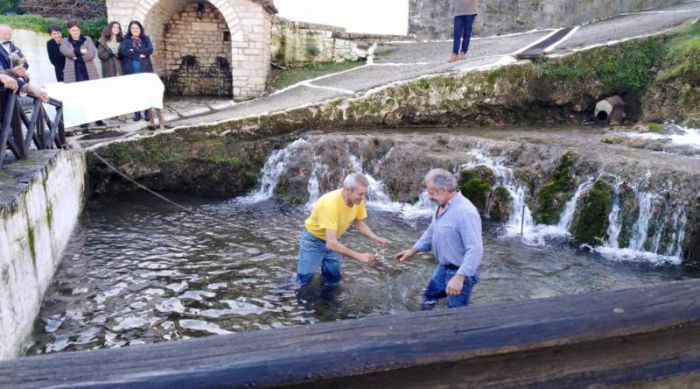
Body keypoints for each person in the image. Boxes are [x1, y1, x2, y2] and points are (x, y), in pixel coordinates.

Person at [394, 168, 483, 309]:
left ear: (445, 190)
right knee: (428, 299)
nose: (429, 196)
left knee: (455, 311)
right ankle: (425, 327)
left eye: (431, 193)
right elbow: (432, 231)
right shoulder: (442, 206)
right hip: (443, 268)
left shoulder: (466, 213)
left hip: (460, 272)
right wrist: (413, 250)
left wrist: (460, 277)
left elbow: (475, 249)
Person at [296, 173, 389, 289]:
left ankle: (327, 303)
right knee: (304, 280)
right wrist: (359, 256)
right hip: (313, 241)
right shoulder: (330, 204)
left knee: (333, 278)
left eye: (365, 194)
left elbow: (358, 223)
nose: (363, 197)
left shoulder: (358, 201)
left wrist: (376, 238)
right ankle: (281, 296)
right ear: (347, 190)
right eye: (360, 194)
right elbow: (331, 243)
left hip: (334, 240)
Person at [120, 20, 171, 130]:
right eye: (133, 28)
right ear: (130, 29)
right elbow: (124, 51)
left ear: (140, 29)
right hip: (131, 70)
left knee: (146, 92)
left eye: (137, 28)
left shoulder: (145, 38)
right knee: (135, 92)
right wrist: (139, 55)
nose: (135, 30)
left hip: (145, 69)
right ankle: (137, 113)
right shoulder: (126, 40)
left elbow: (150, 49)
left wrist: (134, 50)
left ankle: (148, 115)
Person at [60, 20, 105, 128]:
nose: (75, 32)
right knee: (78, 97)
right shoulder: (65, 41)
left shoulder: (88, 39)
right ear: (68, 31)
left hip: (88, 72)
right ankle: (83, 120)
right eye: (72, 30)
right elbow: (64, 51)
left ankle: (98, 118)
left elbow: (91, 54)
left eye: (77, 30)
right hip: (74, 73)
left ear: (80, 30)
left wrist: (76, 57)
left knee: (93, 96)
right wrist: (80, 51)